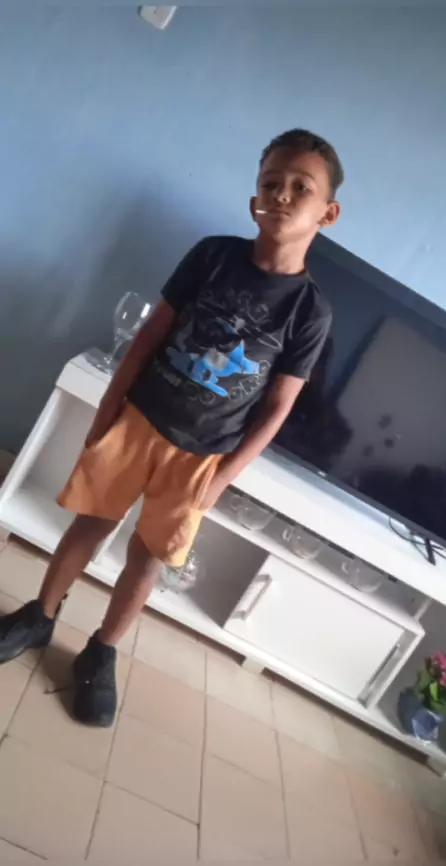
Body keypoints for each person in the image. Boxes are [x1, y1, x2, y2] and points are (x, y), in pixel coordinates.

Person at [0, 128, 343, 726]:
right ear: (254, 199)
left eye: (300, 187)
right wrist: (108, 409)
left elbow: (278, 407)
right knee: (90, 523)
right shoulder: (213, 255)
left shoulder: (310, 312)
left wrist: (222, 479)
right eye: (270, 183)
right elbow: (150, 336)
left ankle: (102, 651)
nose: (282, 195)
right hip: (139, 420)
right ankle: (40, 615)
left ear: (328, 213)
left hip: (203, 457)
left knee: (149, 558)